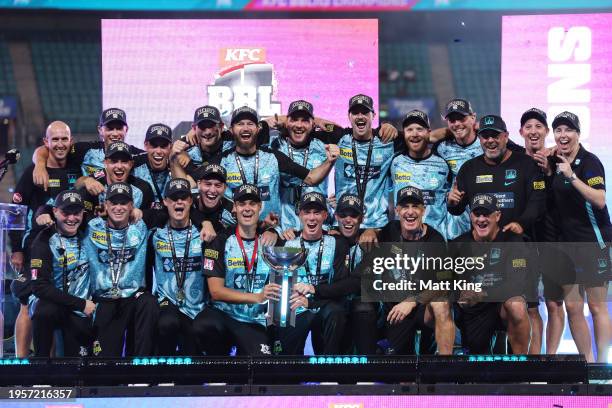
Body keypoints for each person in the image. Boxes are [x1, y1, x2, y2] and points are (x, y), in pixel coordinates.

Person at [10, 121, 81, 357]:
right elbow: (16, 213)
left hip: (70, 247)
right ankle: (21, 361)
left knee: (51, 304)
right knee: (28, 300)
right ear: (46, 142)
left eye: (64, 139)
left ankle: (50, 364)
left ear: (70, 142)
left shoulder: (77, 166)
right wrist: (17, 249)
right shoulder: (32, 173)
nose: (60, 144)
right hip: (37, 247)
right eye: (55, 140)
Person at [547, 111, 611, 362]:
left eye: (568, 130)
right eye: (559, 130)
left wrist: (571, 176)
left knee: (596, 307)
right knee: (573, 307)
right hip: (565, 245)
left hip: (592, 241)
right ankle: (588, 365)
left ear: (578, 133)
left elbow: (599, 200)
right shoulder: (555, 159)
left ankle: (604, 368)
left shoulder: (590, 161)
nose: (563, 135)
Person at [211, 106, 338, 222]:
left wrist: (330, 161)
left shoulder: (273, 157)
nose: (245, 128)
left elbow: (311, 178)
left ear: (258, 128)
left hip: (270, 231)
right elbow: (198, 186)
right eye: (240, 124)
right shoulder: (221, 160)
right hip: (231, 231)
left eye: (250, 123)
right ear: (231, 130)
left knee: (289, 247)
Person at [195, 184, 279, 355]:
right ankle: (217, 370)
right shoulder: (219, 241)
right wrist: (257, 297)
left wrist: (274, 231)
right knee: (203, 325)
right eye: (242, 204)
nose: (247, 209)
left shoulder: (272, 242)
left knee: (260, 367)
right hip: (224, 314)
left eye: (252, 204)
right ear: (234, 208)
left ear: (260, 207)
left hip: (254, 320)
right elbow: (216, 292)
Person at [377, 187, 454, 355]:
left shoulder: (435, 240)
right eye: (405, 207)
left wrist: (412, 301)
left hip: (423, 309)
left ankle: (447, 367)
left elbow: (444, 284)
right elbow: (372, 234)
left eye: (415, 206)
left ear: (423, 210)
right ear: (397, 210)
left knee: (441, 303)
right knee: (401, 374)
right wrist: (367, 231)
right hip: (396, 311)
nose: (410, 212)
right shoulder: (389, 231)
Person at [85, 182, 158, 357]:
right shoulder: (90, 227)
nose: (118, 208)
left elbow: (172, 212)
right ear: (106, 205)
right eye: (114, 203)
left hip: (133, 297)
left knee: (149, 303)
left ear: (132, 206)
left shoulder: (140, 226)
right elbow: (64, 213)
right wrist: (43, 213)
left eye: (124, 203)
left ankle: (140, 373)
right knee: (105, 362)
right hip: (103, 298)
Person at [274, 192, 352, 355]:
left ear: (325, 215)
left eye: (317, 213)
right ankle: (290, 371)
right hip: (296, 306)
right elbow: (280, 284)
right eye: (307, 212)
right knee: (285, 316)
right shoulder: (287, 243)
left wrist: (311, 300)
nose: (312, 218)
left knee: (336, 312)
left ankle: (329, 373)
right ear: (299, 214)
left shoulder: (337, 243)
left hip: (325, 305)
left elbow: (340, 286)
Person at [453, 194, 531, 354]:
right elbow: (445, 280)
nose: (481, 219)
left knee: (516, 305)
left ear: (498, 216)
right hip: (473, 309)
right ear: (470, 216)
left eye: (486, 214)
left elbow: (517, 283)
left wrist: (483, 294)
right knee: (476, 366)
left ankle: (522, 366)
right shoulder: (458, 244)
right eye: (477, 214)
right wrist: (459, 294)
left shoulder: (513, 242)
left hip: (499, 305)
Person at [447, 114, 546, 237]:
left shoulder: (527, 164)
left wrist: (521, 224)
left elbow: (538, 201)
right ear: (479, 139)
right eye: (485, 136)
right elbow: (456, 210)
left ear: (506, 136)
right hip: (483, 245)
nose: (490, 140)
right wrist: (452, 202)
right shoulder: (468, 169)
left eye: (495, 135)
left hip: (519, 243)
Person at [517, 108, 566, 355]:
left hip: (552, 240)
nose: (533, 131)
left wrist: (551, 166)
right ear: (521, 132)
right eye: (528, 126)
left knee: (555, 303)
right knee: (531, 306)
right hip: (525, 241)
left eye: (539, 126)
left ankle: (551, 359)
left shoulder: (560, 159)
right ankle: (534, 363)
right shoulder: (514, 158)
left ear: (546, 131)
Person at [30, 190, 95, 357]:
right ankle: (41, 367)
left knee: (79, 367)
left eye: (77, 213)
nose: (72, 219)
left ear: (83, 213)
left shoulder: (90, 231)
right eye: (66, 212)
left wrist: (136, 212)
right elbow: (39, 287)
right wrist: (80, 304)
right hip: (60, 304)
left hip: (84, 310)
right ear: (55, 212)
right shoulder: (44, 240)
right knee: (43, 311)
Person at [334, 94, 404, 243]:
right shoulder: (339, 138)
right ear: (349, 116)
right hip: (344, 225)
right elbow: (309, 128)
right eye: (355, 113)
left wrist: (391, 127)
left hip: (377, 227)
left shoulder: (387, 140)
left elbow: (422, 136)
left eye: (365, 112)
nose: (360, 116)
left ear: (373, 115)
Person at [151, 178, 206, 355]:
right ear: (165, 202)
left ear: (191, 201)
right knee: (167, 323)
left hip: (197, 306)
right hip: (168, 302)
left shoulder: (205, 235)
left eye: (183, 197)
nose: (179, 202)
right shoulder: (155, 235)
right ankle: (162, 373)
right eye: (174, 198)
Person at [32, 108, 143, 188]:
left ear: (126, 130)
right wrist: (40, 165)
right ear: (100, 130)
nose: (114, 133)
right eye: (109, 128)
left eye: (119, 128)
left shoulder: (137, 155)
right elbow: (49, 149)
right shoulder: (85, 150)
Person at [269, 100, 330, 232]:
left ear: (312, 124)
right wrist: (279, 120)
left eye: (305, 120)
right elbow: (253, 129)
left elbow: (345, 131)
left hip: (319, 227)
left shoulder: (323, 146)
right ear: (286, 121)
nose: (299, 125)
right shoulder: (274, 145)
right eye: (294, 119)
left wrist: (319, 120)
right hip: (284, 229)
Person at [391, 110, 452, 239]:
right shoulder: (395, 162)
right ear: (404, 134)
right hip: (403, 240)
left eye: (420, 129)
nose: (414, 134)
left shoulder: (443, 163)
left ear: (428, 133)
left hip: (436, 240)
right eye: (409, 129)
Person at [434, 98, 483, 239]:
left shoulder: (487, 143)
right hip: (455, 226)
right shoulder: (442, 148)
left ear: (473, 118)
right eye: (452, 120)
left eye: (461, 118)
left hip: (485, 221)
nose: (457, 124)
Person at [76, 141, 155, 215]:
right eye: (114, 161)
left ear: (131, 164)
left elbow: (152, 217)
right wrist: (86, 180)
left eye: (124, 161)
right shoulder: (94, 184)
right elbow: (77, 185)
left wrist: (141, 215)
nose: (119, 166)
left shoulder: (143, 189)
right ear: (105, 163)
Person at [132, 123, 174, 210]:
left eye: (163, 146)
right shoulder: (133, 164)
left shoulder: (177, 169)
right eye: (154, 145)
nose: (158, 151)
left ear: (170, 147)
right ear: (145, 145)